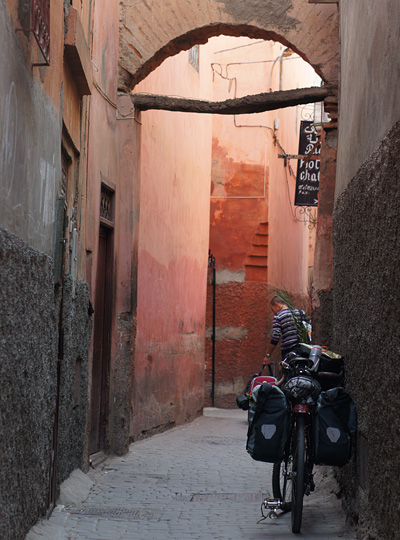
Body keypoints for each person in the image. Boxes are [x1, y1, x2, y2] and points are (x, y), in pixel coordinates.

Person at [264, 295, 307, 363]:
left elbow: (275, 337)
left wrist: (268, 355)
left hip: (288, 352)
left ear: (276, 305)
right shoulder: (300, 312)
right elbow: (309, 328)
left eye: (273, 310)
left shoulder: (278, 317)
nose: (274, 313)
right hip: (304, 351)